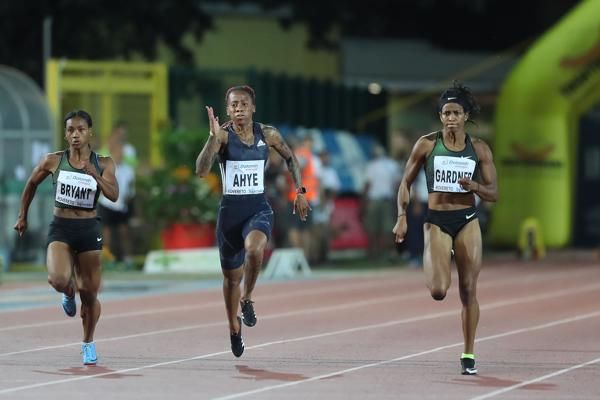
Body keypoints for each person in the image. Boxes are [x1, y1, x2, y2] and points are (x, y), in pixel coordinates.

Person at [195, 85, 310, 358]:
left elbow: (291, 157)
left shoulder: (267, 134)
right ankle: (234, 327)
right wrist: (212, 138)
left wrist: (300, 191)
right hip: (230, 217)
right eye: (234, 105)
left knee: (255, 249)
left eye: (243, 104)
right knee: (230, 279)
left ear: (253, 108)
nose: (239, 109)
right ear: (227, 110)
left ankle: (247, 298)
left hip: (258, 209)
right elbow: (201, 170)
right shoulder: (221, 136)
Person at [393, 81, 498, 375]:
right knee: (439, 290)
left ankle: (468, 353)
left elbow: (494, 192)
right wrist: (401, 215)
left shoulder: (478, 148)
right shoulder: (426, 144)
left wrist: (475, 186)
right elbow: (405, 183)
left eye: (455, 112)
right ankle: (435, 260)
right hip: (437, 220)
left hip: (467, 219)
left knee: (468, 289)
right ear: (440, 116)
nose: (450, 118)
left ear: (465, 116)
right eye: (445, 113)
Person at [13, 110, 118, 365]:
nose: (75, 135)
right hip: (61, 228)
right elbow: (31, 184)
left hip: (88, 229)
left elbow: (114, 195)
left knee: (90, 294)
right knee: (57, 278)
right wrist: (22, 215)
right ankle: (68, 292)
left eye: (81, 129)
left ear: (90, 132)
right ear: (65, 133)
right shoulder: (53, 160)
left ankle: (88, 342)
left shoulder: (103, 162)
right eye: (70, 130)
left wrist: (94, 175)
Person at [97, 134, 136, 268]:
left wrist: (128, 199)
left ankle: (128, 260)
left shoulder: (128, 170)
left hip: (122, 206)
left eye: (121, 151)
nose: (120, 154)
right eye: (117, 151)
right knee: (106, 234)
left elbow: (131, 188)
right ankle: (107, 260)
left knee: (124, 232)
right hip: (107, 204)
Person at [362, 144, 402, 260]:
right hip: (387, 200)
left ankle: (374, 253)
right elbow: (398, 184)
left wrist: (363, 202)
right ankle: (390, 253)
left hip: (374, 200)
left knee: (373, 229)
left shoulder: (371, 166)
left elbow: (367, 186)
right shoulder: (392, 165)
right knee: (388, 228)